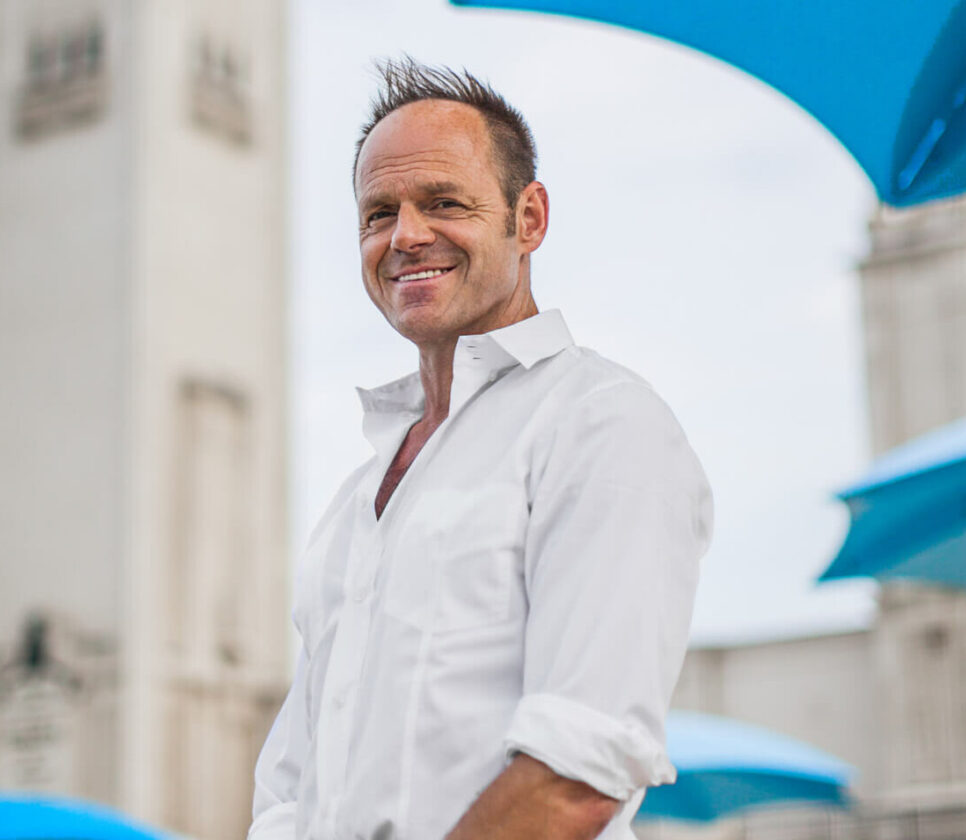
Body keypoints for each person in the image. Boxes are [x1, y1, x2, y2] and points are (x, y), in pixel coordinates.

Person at [249, 57, 713, 840]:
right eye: (378, 213)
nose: (406, 236)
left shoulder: (601, 425)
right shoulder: (358, 495)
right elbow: (290, 794)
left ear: (528, 218)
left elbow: (577, 774)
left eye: (444, 202)